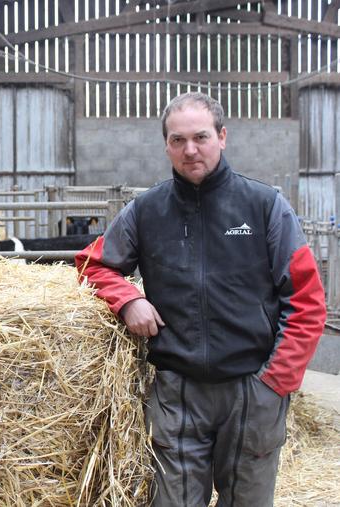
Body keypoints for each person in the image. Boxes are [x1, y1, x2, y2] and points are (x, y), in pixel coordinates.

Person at [75, 92, 326, 506]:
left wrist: (275, 382)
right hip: (178, 391)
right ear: (166, 145)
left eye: (201, 137)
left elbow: (307, 300)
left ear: (222, 137)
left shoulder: (264, 207)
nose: (190, 150)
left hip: (252, 387)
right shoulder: (147, 210)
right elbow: (92, 264)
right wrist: (127, 300)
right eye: (178, 140)